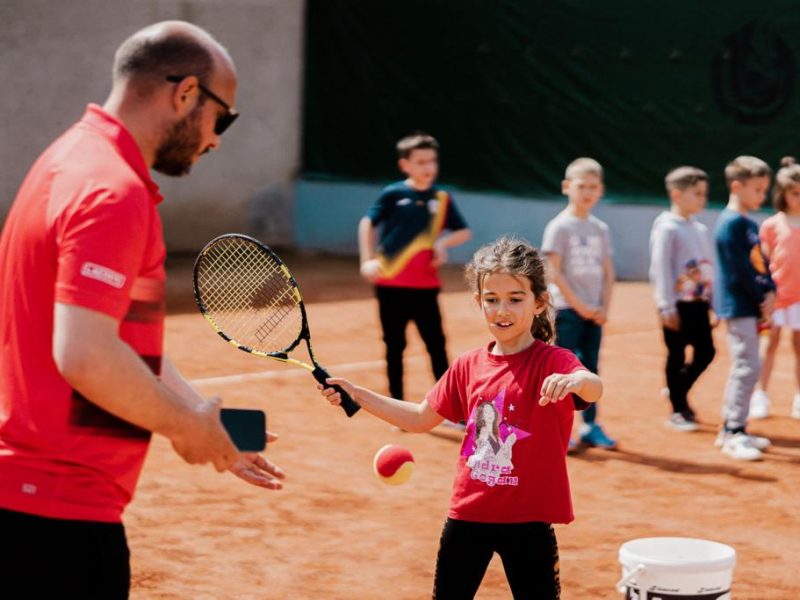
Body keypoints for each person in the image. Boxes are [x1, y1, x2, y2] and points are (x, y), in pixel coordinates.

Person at [0, 21, 284, 598]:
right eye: (221, 118)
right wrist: (185, 429)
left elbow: (122, 341)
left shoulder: (69, 158)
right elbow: (85, 354)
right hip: (56, 521)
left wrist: (204, 417)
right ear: (185, 95)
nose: (217, 139)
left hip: (30, 502)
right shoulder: (114, 191)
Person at [320, 236, 602, 599]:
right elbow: (420, 418)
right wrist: (358, 394)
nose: (502, 310)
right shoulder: (469, 364)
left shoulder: (553, 362)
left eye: (515, 299)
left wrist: (576, 379)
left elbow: (593, 388)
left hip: (529, 521)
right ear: (478, 302)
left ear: (539, 303)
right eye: (491, 300)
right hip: (468, 515)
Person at [358, 132, 471, 403]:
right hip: (390, 284)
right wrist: (367, 260)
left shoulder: (442, 198)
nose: (428, 167)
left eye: (432, 161)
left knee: (436, 345)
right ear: (405, 165)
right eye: (420, 162)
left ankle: (449, 406)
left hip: (425, 286)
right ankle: (396, 403)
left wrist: (443, 243)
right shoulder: (393, 193)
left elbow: (463, 231)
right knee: (394, 346)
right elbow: (367, 222)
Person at [541, 157, 616, 450]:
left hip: (594, 313)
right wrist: (581, 306)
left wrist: (603, 308)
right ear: (566, 187)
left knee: (590, 370)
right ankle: (560, 429)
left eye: (593, 187)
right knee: (563, 371)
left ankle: (590, 426)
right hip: (567, 311)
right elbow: (554, 272)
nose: (587, 192)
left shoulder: (600, 228)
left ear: (600, 190)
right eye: (581, 186)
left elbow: (609, 272)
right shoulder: (559, 227)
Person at [713, 156, 776, 460]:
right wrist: (761, 297)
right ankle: (732, 431)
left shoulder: (749, 224)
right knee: (747, 365)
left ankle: (737, 426)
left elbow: (761, 264)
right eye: (758, 189)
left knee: (750, 365)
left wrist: (771, 291)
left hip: (750, 305)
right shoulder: (731, 224)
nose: (762, 196)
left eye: (765, 190)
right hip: (738, 306)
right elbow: (740, 271)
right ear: (737, 187)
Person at [649, 167, 716, 431]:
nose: (703, 199)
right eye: (697, 193)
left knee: (707, 352)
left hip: (698, 304)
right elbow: (660, 267)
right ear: (677, 194)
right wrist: (665, 304)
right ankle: (678, 409)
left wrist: (712, 301)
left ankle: (677, 389)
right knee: (676, 354)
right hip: (676, 305)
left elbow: (708, 267)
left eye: (704, 193)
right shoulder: (666, 227)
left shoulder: (699, 228)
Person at [749, 157, 800, 420]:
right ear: (783, 193)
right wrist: (764, 293)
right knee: (769, 345)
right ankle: (760, 395)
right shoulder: (771, 225)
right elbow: (762, 262)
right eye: (795, 193)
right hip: (776, 298)